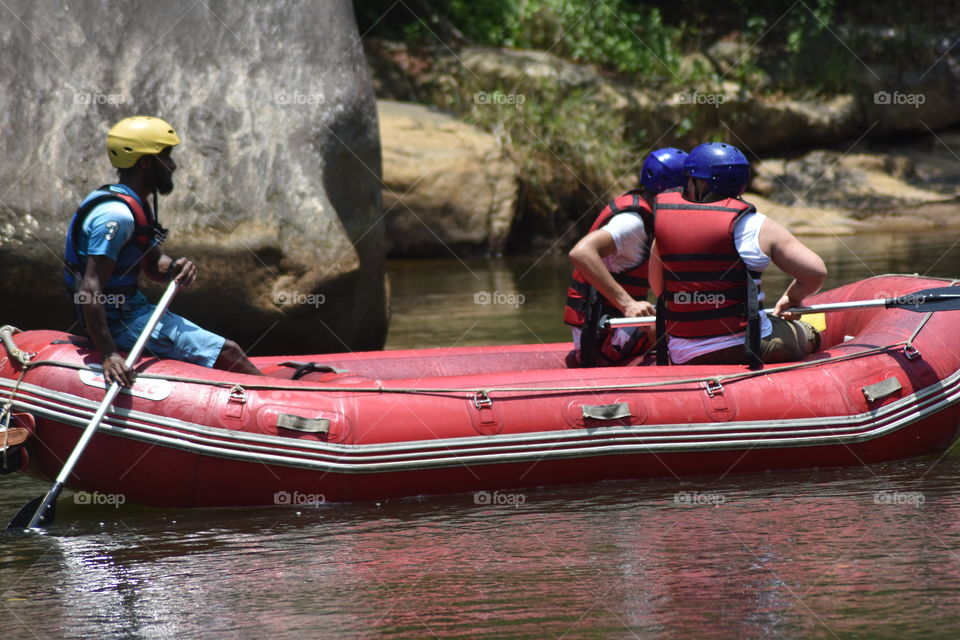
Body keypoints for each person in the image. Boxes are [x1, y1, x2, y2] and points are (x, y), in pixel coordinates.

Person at [63, 116, 263, 385]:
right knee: (228, 351)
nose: (173, 165)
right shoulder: (116, 216)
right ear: (145, 163)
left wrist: (174, 267)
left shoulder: (136, 205)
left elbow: (154, 266)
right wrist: (109, 353)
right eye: (166, 157)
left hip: (133, 309)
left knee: (224, 350)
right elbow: (90, 288)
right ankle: (289, 404)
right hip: (119, 320)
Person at [647, 142, 827, 368]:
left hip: (686, 354)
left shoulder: (666, 229)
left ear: (699, 182)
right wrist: (792, 298)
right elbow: (815, 272)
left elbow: (658, 289)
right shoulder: (757, 226)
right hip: (752, 346)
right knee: (809, 331)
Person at [565, 148, 688, 366]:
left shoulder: (648, 213)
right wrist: (627, 304)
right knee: (689, 330)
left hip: (609, 327)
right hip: (601, 335)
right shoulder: (633, 223)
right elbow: (581, 252)